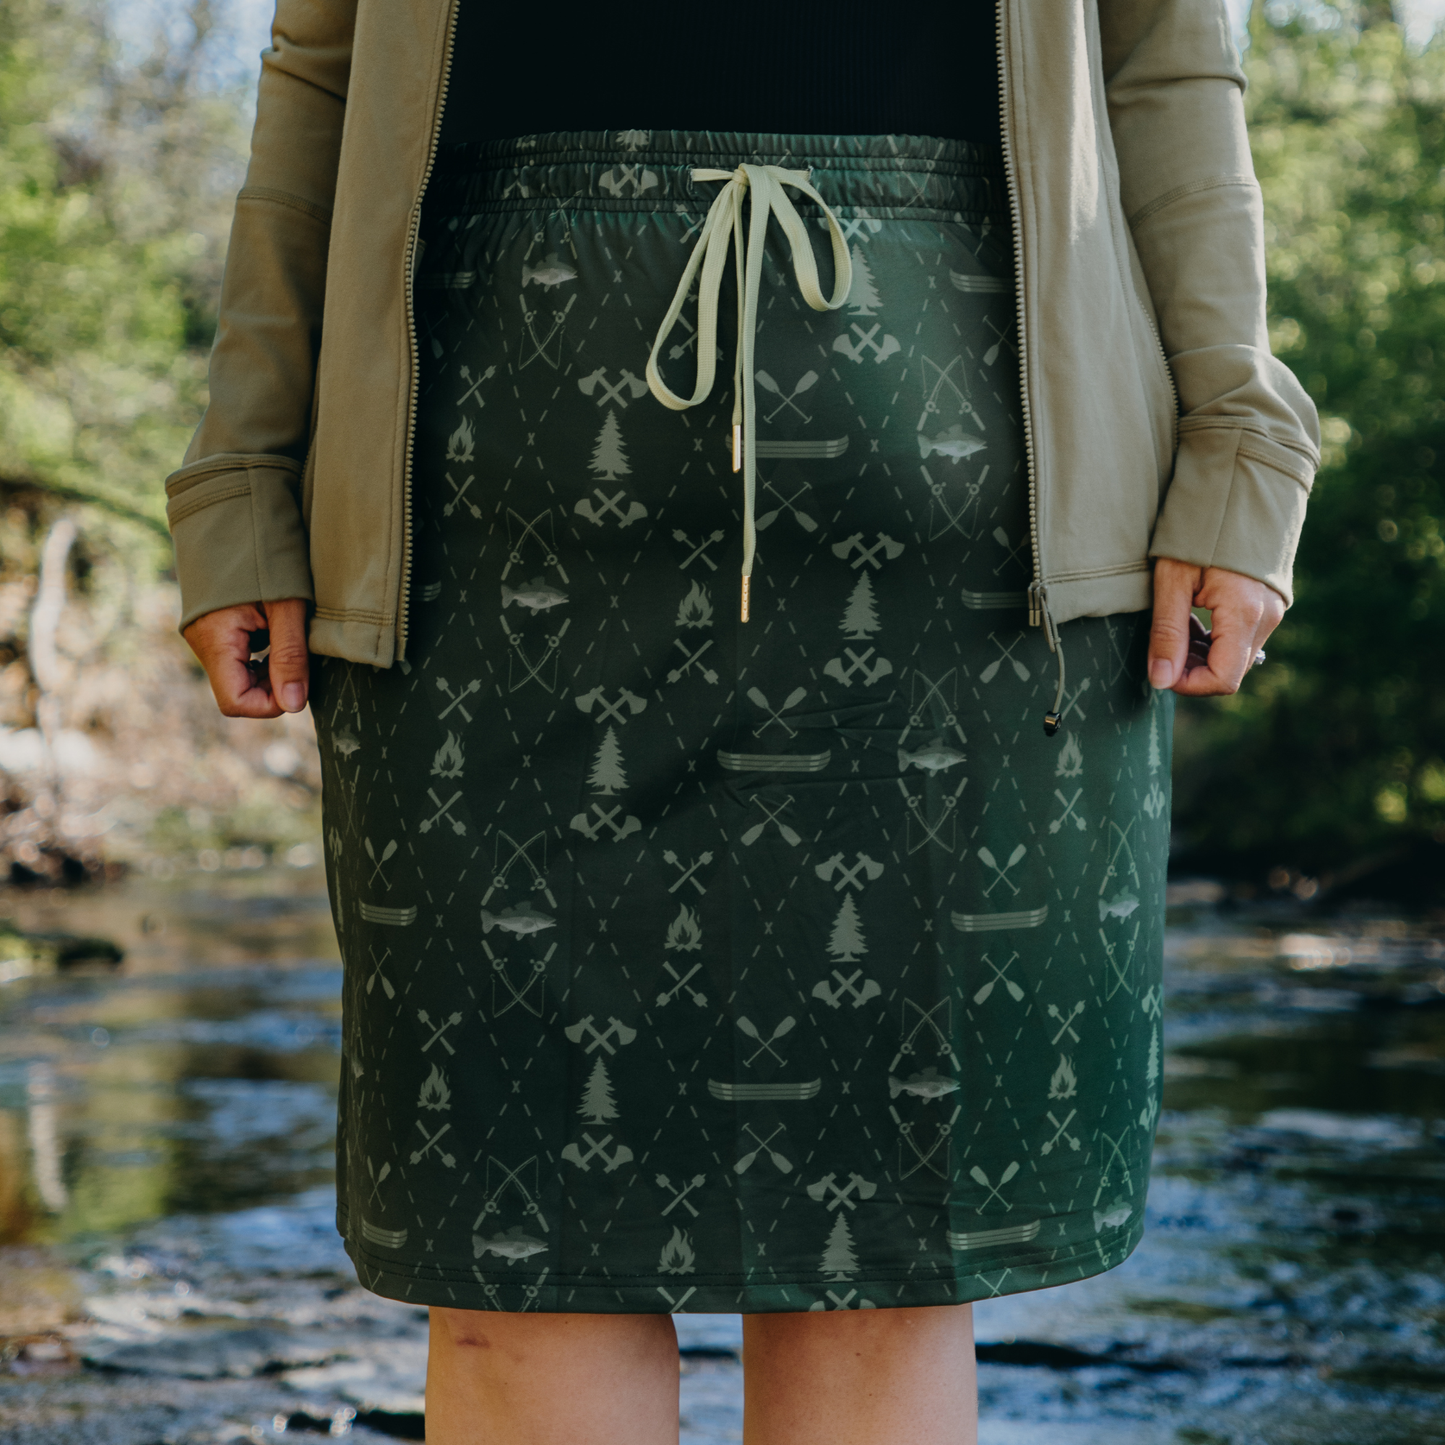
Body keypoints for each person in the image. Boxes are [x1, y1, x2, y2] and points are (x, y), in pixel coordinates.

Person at [172, 2, 1319, 1441]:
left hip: (975, 530)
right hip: (473, 514)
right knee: (513, 1273)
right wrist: (241, 471)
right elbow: (324, 70)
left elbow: (1162, 52)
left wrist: (1240, 437)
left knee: (884, 1275)